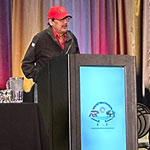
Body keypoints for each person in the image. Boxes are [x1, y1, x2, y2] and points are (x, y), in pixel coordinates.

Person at [21, 5, 80, 83]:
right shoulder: (40, 38)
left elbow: (78, 61)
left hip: (68, 87)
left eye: (67, 19)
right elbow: (26, 64)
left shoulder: (72, 38)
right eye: (61, 20)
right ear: (51, 22)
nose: (65, 22)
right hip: (46, 89)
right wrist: (41, 77)